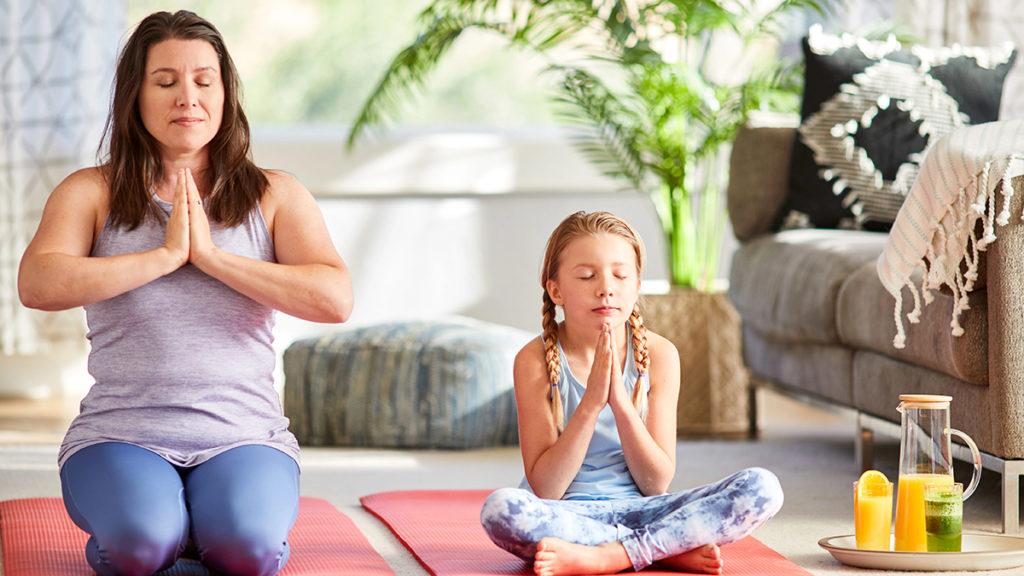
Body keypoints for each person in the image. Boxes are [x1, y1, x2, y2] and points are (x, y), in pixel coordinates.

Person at [17, 10, 352, 576]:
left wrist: (215, 260)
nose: (187, 98)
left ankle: (202, 533)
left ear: (226, 93)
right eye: (165, 82)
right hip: (121, 434)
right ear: (135, 96)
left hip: (243, 437)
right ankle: (173, 535)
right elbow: (38, 284)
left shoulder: (275, 194)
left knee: (248, 551)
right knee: (140, 548)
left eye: (204, 80)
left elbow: (333, 298)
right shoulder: (91, 192)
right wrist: (164, 257)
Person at [480, 211, 783, 576]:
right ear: (555, 289)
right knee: (500, 509)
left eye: (620, 275)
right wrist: (591, 403)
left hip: (647, 511)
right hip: (566, 516)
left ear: (636, 284)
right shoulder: (533, 360)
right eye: (587, 275)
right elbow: (546, 488)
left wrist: (620, 404)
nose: (606, 287)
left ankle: (609, 556)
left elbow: (656, 482)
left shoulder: (659, 355)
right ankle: (662, 548)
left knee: (763, 488)